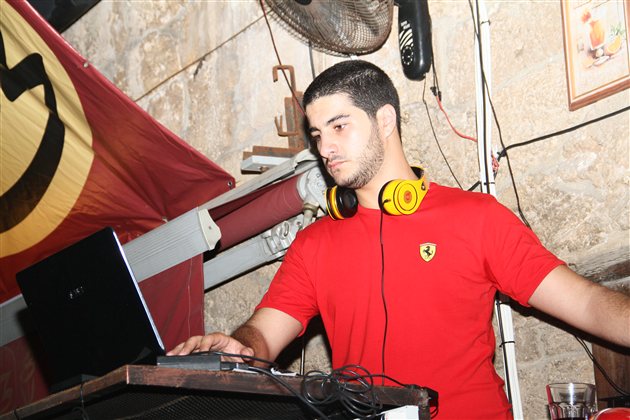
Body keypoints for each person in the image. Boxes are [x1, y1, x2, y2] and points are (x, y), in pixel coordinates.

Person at [169, 60, 630, 418]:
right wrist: (240, 347)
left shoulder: (476, 218)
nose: (325, 148)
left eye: (339, 126)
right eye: (317, 134)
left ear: (385, 120)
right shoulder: (313, 245)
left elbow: (587, 303)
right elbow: (263, 334)